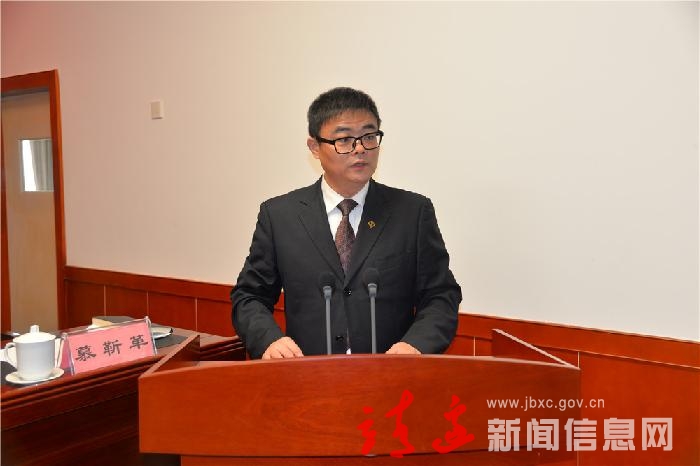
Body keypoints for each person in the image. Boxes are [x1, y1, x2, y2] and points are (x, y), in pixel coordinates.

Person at [231, 87, 461, 359]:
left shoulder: (412, 212)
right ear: (314, 148)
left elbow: (440, 296)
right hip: (307, 372)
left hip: (391, 374)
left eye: (369, 136)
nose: (360, 149)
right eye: (344, 139)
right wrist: (269, 341)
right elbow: (249, 296)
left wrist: (416, 345)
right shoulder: (280, 216)